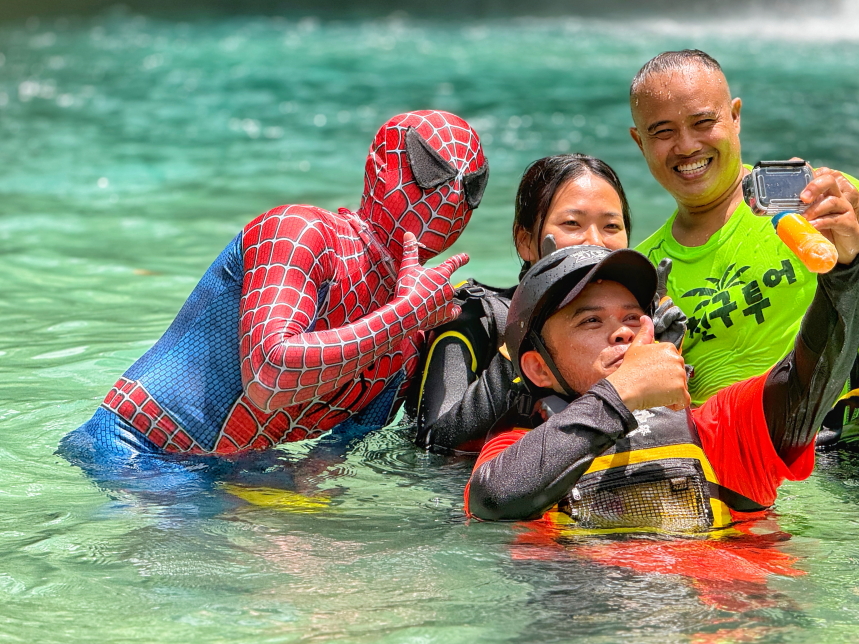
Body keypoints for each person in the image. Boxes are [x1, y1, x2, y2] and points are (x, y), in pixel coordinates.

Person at [61, 110, 488, 468]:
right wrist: (403, 316)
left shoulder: (416, 333)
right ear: (380, 167)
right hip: (132, 447)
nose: (452, 195)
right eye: (433, 171)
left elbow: (336, 452)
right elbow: (268, 376)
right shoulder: (300, 232)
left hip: (234, 471)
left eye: (472, 186)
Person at [465, 202, 859, 524]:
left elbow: (812, 380)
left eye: (633, 318)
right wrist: (618, 395)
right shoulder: (518, 447)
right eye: (591, 320)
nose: (622, 333)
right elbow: (494, 499)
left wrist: (846, 274)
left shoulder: (720, 430)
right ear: (538, 368)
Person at [629, 50, 859, 448]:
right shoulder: (641, 273)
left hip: (839, 450)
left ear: (735, 117)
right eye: (662, 132)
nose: (686, 146)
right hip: (733, 476)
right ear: (639, 141)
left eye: (703, 122)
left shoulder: (828, 201)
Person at [407, 154, 637, 454]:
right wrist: (521, 340)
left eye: (611, 227)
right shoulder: (476, 319)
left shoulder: (638, 324)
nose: (594, 241)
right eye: (572, 223)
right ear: (525, 241)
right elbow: (431, 446)